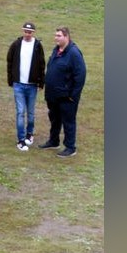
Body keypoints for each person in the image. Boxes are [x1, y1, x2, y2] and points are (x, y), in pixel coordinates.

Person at [40, 26, 86, 158]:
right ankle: (53, 141)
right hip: (53, 95)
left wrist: (73, 96)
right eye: (55, 35)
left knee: (68, 121)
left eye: (59, 35)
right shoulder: (56, 50)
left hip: (67, 97)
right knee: (54, 119)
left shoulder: (74, 53)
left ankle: (70, 147)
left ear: (67, 36)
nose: (56, 38)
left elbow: (80, 76)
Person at [5, 21, 46, 151]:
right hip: (18, 84)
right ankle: (21, 140)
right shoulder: (16, 45)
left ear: (33, 33)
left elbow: (41, 64)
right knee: (20, 112)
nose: (27, 34)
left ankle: (29, 133)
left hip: (32, 85)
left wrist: (41, 83)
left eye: (30, 32)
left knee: (31, 112)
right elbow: (9, 61)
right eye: (25, 31)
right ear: (22, 32)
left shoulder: (38, 46)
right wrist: (11, 80)